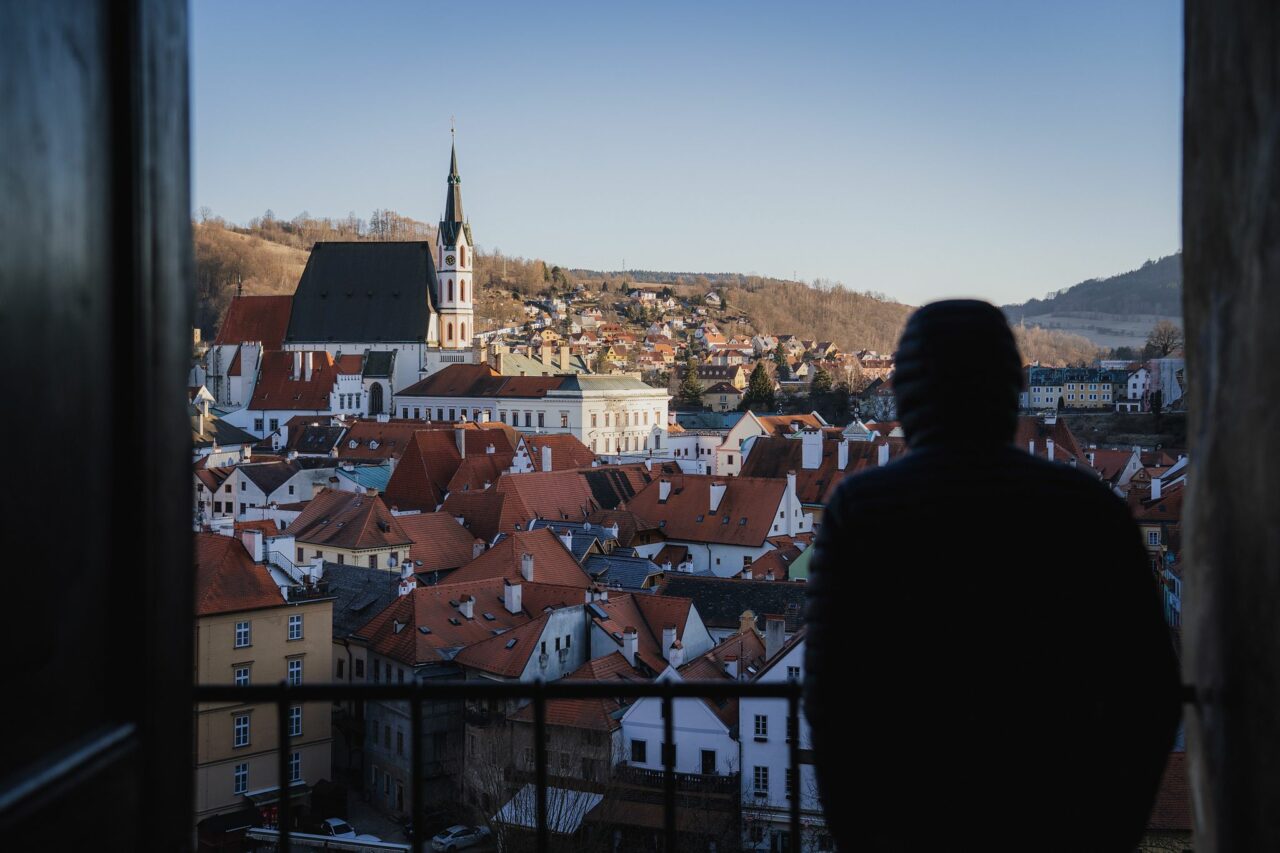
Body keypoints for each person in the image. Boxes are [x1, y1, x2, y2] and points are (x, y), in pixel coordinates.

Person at [803, 300, 1181, 851]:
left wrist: (866, 833)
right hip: (1057, 818)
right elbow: (1148, 694)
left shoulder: (863, 510)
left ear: (909, 396)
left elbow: (832, 702)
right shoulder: (1087, 509)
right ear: (1010, 390)